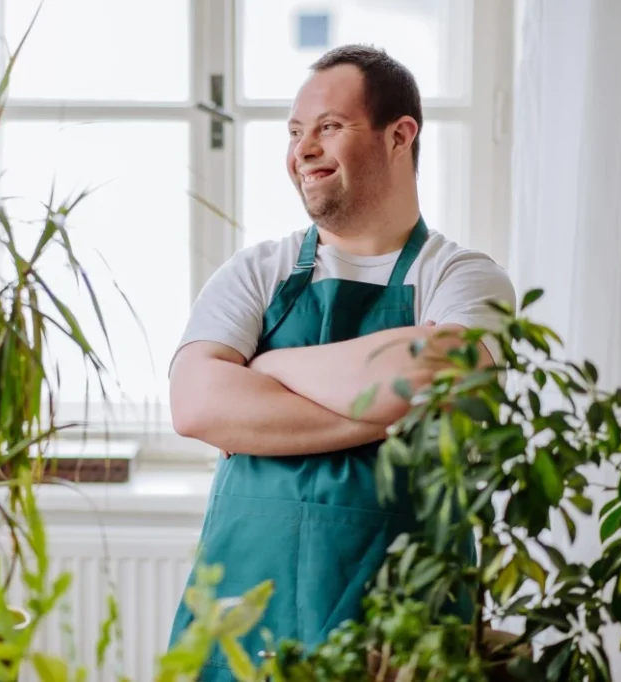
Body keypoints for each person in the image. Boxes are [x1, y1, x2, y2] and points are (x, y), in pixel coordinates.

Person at [165, 44, 516, 679]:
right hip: (243, 615)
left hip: (399, 622)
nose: (303, 150)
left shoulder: (465, 277)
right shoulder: (256, 271)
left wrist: (269, 367)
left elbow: (428, 376)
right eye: (296, 132)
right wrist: (384, 411)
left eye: (328, 127)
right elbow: (194, 403)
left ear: (399, 135)